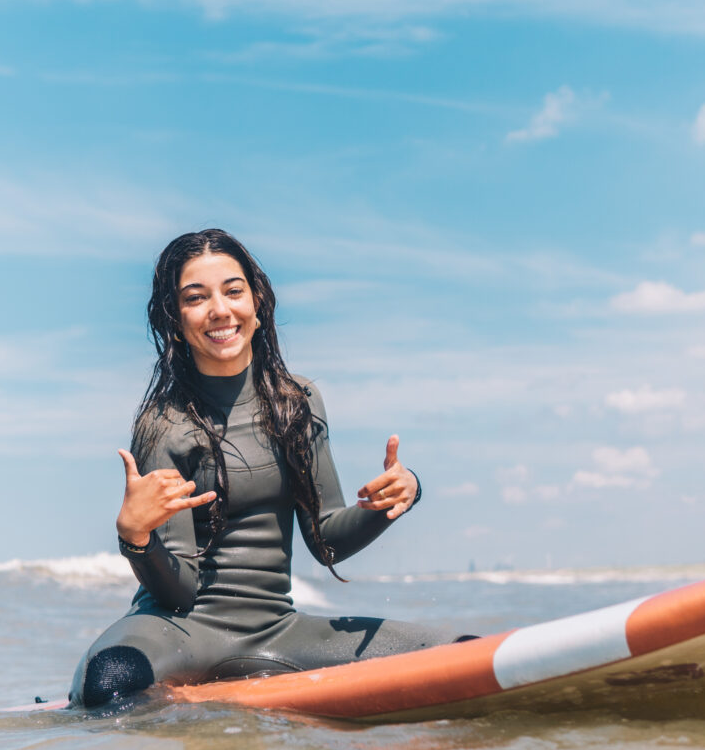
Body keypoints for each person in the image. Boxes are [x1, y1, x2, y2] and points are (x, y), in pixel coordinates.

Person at [70, 229, 463, 708]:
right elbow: (179, 591)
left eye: (233, 291)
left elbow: (327, 540)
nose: (219, 310)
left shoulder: (298, 402)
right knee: (109, 681)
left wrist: (397, 498)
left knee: (461, 652)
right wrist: (136, 538)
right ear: (175, 321)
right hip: (180, 631)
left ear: (258, 304)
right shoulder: (165, 425)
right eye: (196, 298)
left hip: (277, 630)